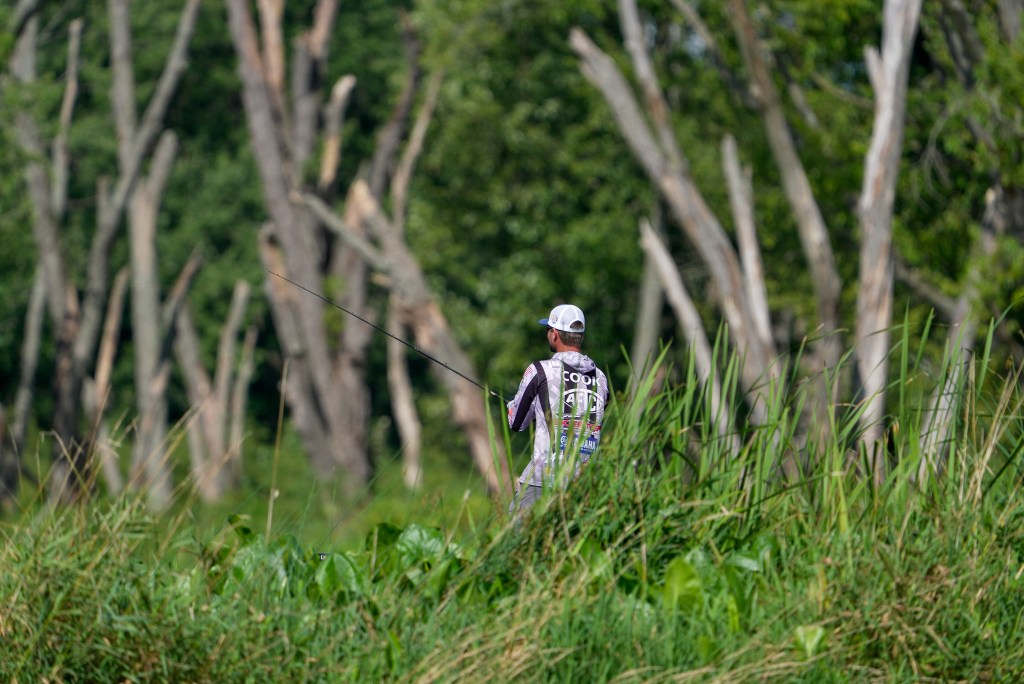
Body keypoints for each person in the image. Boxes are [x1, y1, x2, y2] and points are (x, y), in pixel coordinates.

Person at [507, 304, 610, 516]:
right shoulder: (601, 378)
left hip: (541, 481)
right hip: (585, 483)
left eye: (548, 329)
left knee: (514, 534)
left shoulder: (539, 371)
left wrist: (512, 406)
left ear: (554, 334)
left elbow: (516, 423)